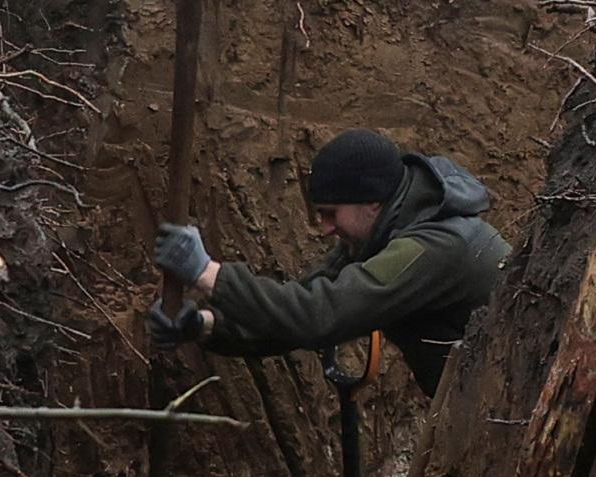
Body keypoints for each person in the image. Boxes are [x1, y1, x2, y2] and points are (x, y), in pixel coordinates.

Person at [149, 128, 510, 393]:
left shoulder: (433, 248)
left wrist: (207, 274)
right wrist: (205, 324)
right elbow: (297, 309)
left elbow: (320, 315)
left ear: (372, 201)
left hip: (510, 408)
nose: (323, 228)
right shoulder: (383, 232)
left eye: (330, 213)